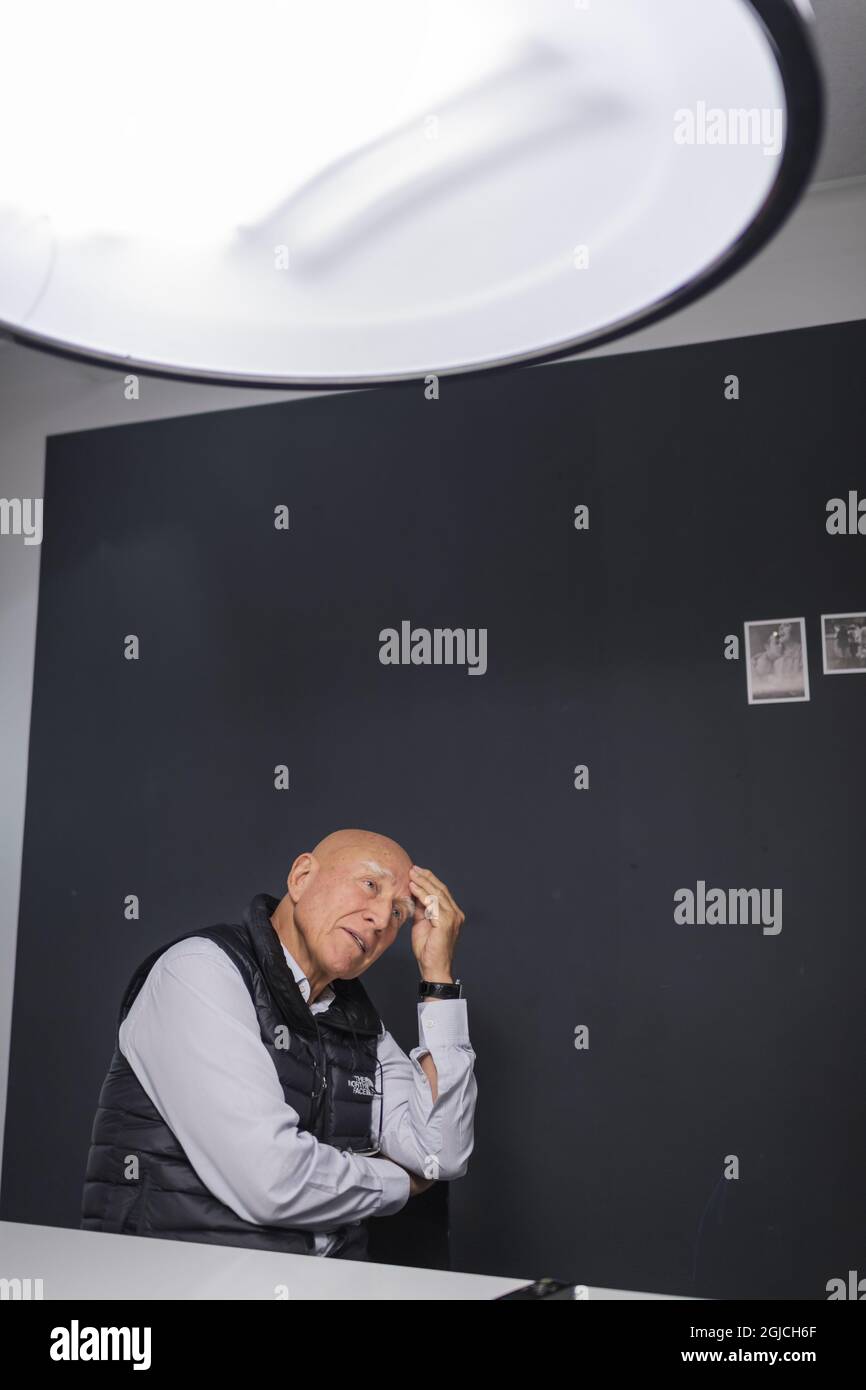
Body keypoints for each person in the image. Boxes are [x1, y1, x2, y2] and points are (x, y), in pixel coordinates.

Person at [81, 828, 475, 1260]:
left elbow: (441, 1153)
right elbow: (270, 1181)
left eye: (400, 913)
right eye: (370, 885)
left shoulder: (360, 1024)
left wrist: (437, 976)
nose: (381, 919)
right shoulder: (199, 971)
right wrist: (397, 1182)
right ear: (301, 877)